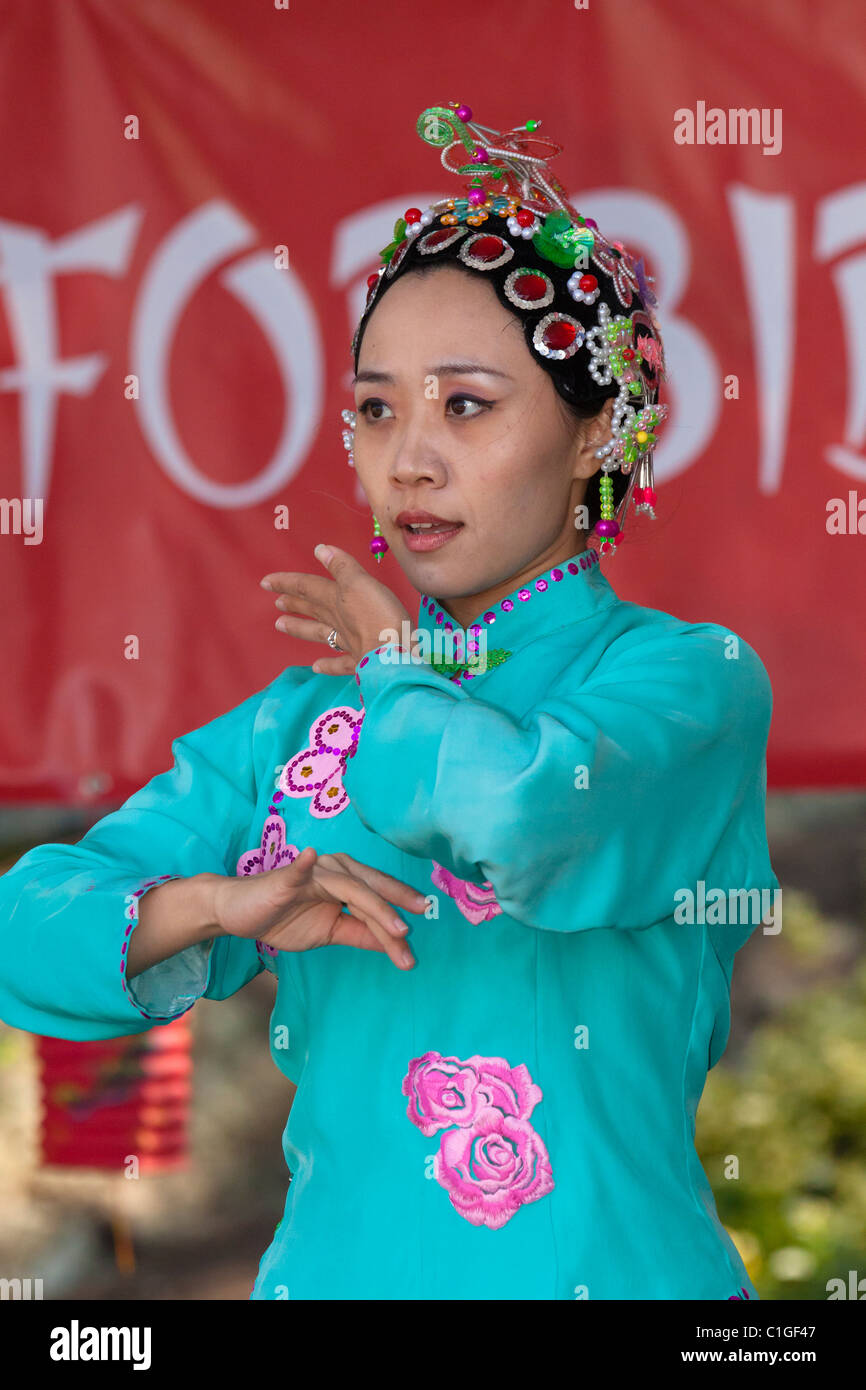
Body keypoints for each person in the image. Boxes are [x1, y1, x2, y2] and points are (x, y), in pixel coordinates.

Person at [0, 103, 778, 1301]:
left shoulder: (685, 681)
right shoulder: (290, 726)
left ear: (592, 435)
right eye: (375, 408)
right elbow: (29, 929)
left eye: (464, 405)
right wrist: (220, 902)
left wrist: (397, 677)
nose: (406, 458)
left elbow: (524, 819)